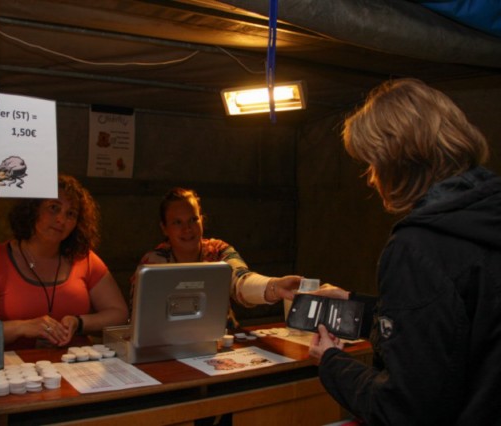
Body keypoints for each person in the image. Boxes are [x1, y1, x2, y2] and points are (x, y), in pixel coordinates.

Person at [308, 78, 501, 424]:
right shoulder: (484, 217)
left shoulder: (417, 246)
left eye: (372, 164)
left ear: (396, 162)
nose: (371, 178)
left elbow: (404, 408)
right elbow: (456, 323)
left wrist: (332, 362)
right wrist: (361, 306)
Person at [0, 174, 129, 351]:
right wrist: (22, 327)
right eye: (54, 208)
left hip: (75, 363)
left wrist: (79, 323)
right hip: (15, 364)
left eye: (71, 214)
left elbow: (120, 315)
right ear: (33, 209)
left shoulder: (84, 258)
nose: (61, 220)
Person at [131, 187, 302, 328]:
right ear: (164, 228)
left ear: (202, 220)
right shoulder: (152, 262)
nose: (187, 229)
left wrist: (273, 286)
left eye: (193, 220)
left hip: (221, 341)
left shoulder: (218, 250)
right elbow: (138, 316)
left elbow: (241, 280)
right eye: (177, 222)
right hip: (168, 345)